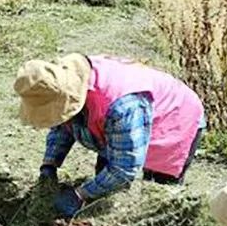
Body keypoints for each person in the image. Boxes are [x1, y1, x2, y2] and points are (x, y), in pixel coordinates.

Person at [14, 54, 206, 217]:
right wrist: (49, 164)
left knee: (160, 197)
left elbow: (123, 169)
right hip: (120, 119)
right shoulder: (59, 86)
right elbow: (62, 125)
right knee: (103, 190)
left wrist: (79, 194)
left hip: (174, 118)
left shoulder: (121, 107)